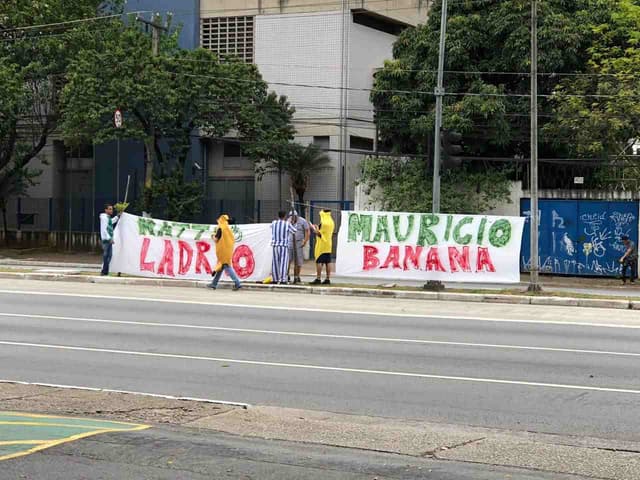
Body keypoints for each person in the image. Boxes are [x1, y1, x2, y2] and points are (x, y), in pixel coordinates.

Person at [208, 214, 242, 290]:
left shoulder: (221, 228)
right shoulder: (227, 228)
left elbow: (216, 239)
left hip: (223, 251)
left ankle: (237, 283)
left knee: (226, 266)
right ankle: (214, 284)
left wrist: (212, 236)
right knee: (221, 267)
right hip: (228, 250)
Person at [309, 209, 335, 285]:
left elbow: (319, 233)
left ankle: (318, 278)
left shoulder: (323, 223)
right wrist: (317, 228)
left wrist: (313, 228)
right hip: (328, 244)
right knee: (328, 262)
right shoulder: (331, 222)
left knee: (319, 261)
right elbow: (324, 231)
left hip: (322, 244)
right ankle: (327, 279)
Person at [271, 210, 296, 284]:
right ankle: (282, 279)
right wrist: (292, 223)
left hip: (275, 245)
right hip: (283, 246)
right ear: (285, 216)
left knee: (275, 262)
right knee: (283, 263)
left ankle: (275, 279)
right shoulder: (287, 224)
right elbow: (294, 231)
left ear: (278, 215)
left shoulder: (274, 223)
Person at [287, 210, 310, 284]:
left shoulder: (302, 221)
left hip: (299, 242)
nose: (293, 218)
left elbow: (307, 231)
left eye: (294, 217)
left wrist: (305, 241)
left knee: (298, 261)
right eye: (291, 216)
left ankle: (297, 276)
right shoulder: (288, 221)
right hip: (290, 242)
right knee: (288, 260)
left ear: (297, 216)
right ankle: (286, 275)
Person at [99, 203, 119, 276]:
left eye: (112, 209)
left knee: (109, 256)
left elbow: (111, 222)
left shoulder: (108, 218)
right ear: (106, 210)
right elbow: (104, 230)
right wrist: (109, 238)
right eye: (110, 209)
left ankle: (105, 271)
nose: (111, 210)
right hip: (106, 239)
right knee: (106, 255)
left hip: (108, 239)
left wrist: (117, 216)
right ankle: (104, 271)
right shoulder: (104, 218)